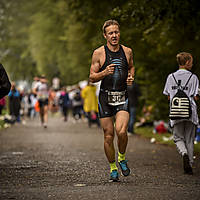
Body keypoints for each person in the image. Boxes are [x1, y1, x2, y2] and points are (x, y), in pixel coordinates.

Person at [89, 19, 135, 181]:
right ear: (105, 35)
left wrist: (131, 76)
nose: (114, 35)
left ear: (119, 33)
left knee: (121, 131)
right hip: (105, 97)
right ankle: (113, 168)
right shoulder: (98, 53)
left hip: (122, 95)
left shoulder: (127, 51)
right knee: (108, 135)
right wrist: (104, 73)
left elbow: (131, 66)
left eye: (116, 32)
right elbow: (91, 77)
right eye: (111, 33)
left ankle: (121, 157)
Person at [163, 52, 199, 175]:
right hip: (190, 112)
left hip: (176, 112)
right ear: (187, 62)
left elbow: (168, 96)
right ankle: (189, 163)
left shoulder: (170, 77)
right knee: (189, 139)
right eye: (191, 61)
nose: (192, 64)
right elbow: (196, 97)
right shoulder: (193, 77)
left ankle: (183, 153)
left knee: (178, 137)